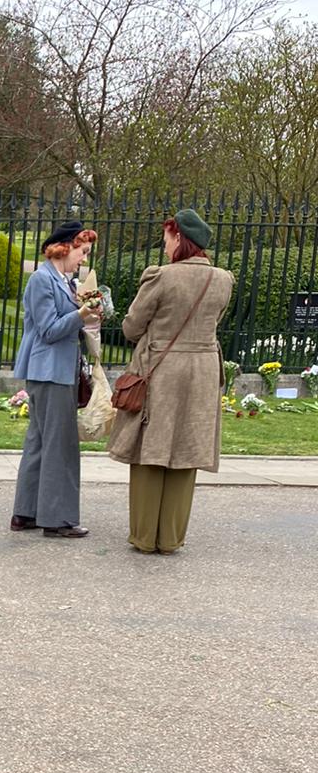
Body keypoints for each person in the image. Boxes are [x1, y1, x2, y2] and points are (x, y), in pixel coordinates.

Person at [108, 209, 232, 554]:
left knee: (152, 449)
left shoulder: (161, 277)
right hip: (204, 371)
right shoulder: (223, 280)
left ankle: (145, 537)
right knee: (187, 450)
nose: (164, 247)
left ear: (179, 239)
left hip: (161, 371)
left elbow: (132, 328)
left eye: (166, 239)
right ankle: (171, 538)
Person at [10, 221, 100, 539]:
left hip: (52, 370)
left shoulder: (63, 280)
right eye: (82, 251)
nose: (83, 260)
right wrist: (81, 314)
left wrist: (89, 309)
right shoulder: (42, 279)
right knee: (59, 445)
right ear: (65, 247)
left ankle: (26, 513)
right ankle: (57, 519)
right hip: (50, 372)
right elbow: (48, 330)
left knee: (39, 441)